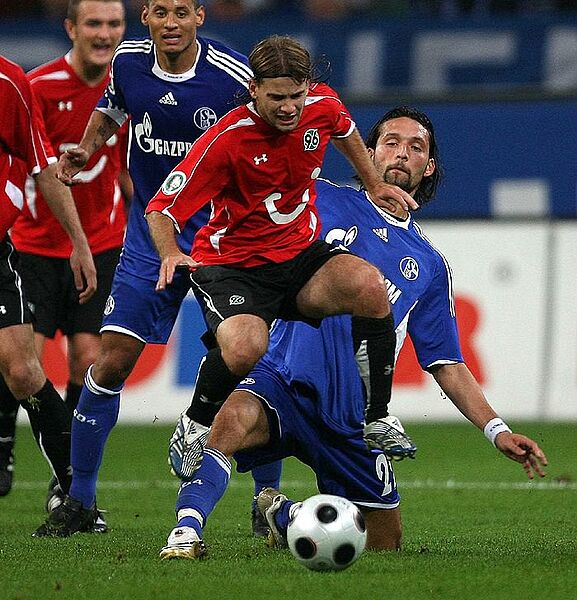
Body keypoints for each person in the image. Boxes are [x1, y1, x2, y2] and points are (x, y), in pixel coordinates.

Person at [158, 106, 548, 559]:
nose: (401, 153)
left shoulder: (429, 264)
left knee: (384, 544)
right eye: (391, 142)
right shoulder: (317, 197)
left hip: (350, 416)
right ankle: (185, 532)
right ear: (368, 152)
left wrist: (497, 430)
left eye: (415, 147)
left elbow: (447, 362)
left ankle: (284, 514)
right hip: (280, 376)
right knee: (230, 423)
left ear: (428, 166)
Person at [145, 35, 419, 486]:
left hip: (298, 255)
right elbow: (161, 208)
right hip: (234, 267)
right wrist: (171, 252)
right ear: (254, 89)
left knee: (371, 288)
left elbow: (344, 129)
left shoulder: (321, 104)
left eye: (296, 95)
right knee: (246, 348)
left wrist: (373, 183)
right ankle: (194, 424)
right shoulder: (227, 139)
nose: (289, 107)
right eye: (277, 98)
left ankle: (377, 417)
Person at [33, 0, 254, 537]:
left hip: (218, 238)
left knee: (248, 361)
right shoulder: (128, 62)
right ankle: (80, 501)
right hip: (148, 241)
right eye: (159, 12)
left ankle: (265, 497)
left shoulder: (232, 75)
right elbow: (112, 108)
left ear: (200, 16)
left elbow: (269, 129)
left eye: (181, 11)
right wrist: (88, 149)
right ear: (146, 18)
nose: (170, 23)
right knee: (108, 362)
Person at [0, 0, 128, 506]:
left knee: (87, 359)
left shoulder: (128, 87)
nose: (104, 33)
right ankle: (5, 446)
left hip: (103, 242)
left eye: (114, 23)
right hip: (33, 245)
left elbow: (124, 165)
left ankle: (71, 480)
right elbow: (33, 164)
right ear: (71, 28)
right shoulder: (38, 85)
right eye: (94, 23)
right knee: (21, 361)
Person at [0, 54, 97, 511]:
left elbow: (43, 165)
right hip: (32, 250)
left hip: (5, 249)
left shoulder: (9, 81)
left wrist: (79, 241)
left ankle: (76, 498)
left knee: (23, 369)